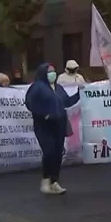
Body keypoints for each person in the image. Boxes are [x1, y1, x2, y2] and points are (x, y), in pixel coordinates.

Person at [25, 63, 82, 194]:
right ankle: (45, 180)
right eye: (49, 71)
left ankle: (54, 181)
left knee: (57, 154)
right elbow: (29, 103)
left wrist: (79, 94)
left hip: (59, 124)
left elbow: (67, 102)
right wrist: (43, 114)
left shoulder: (58, 88)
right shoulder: (37, 87)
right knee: (49, 152)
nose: (53, 74)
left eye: (54, 71)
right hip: (44, 126)